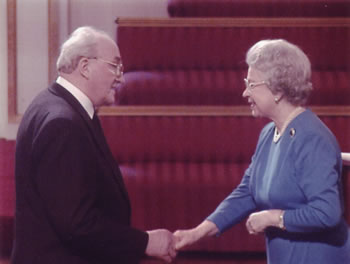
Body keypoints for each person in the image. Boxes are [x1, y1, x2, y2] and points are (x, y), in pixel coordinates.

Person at [174, 39, 350, 263]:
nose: (245, 93)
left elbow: (327, 212)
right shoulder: (269, 133)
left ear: (277, 89)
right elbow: (247, 191)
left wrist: (273, 218)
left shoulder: (313, 139)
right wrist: (197, 233)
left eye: (252, 84)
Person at [12, 26, 176, 264]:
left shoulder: (53, 104)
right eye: (114, 66)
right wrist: (144, 242)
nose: (121, 76)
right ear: (85, 67)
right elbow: (77, 225)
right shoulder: (63, 124)